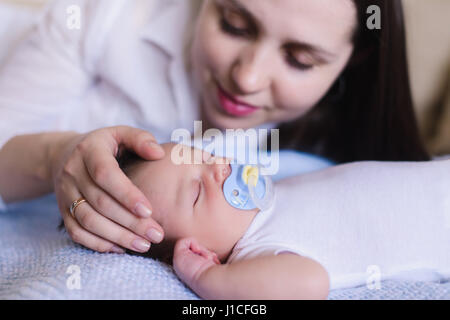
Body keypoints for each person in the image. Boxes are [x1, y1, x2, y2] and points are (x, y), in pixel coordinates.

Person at [0, 0, 433, 256]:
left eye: (300, 60)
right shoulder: (104, 16)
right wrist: (52, 156)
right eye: (234, 25)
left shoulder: (339, 142)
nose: (247, 79)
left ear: (353, 61)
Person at [111, 143, 449, 299]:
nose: (220, 167)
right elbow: (310, 283)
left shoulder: (272, 194)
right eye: (198, 192)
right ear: (197, 249)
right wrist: (207, 277)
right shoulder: (256, 252)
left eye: (206, 157)